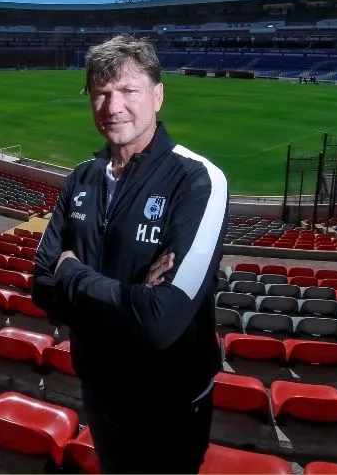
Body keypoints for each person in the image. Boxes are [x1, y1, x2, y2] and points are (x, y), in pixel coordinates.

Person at [33, 34, 228, 473]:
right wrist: (129, 295)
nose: (112, 106)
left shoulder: (198, 180)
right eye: (100, 93)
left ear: (158, 95)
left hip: (171, 403)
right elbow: (42, 286)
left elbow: (163, 320)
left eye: (127, 90)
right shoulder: (80, 179)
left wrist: (74, 275)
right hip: (98, 392)